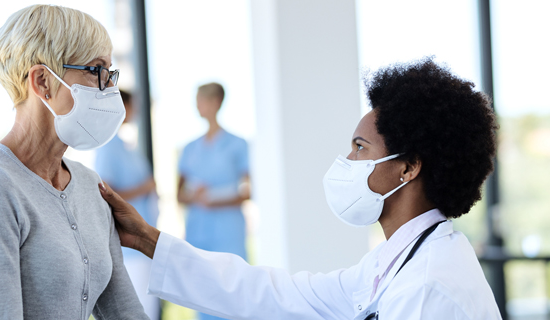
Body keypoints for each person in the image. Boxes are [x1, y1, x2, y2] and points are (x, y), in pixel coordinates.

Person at [99, 58, 502, 319]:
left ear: (408, 168)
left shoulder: (428, 287)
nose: (346, 161)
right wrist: (150, 240)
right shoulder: (393, 263)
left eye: (359, 148)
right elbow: (280, 295)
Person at [0, 5, 148, 320]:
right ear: (42, 82)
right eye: (96, 71)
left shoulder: (89, 185)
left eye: (110, 73)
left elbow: (126, 312)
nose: (109, 90)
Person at [176, 82, 251, 320]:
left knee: (234, 294)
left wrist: (215, 199)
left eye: (202, 100)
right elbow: (179, 194)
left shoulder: (238, 145)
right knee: (204, 296)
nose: (198, 106)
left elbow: (247, 190)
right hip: (199, 233)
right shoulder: (189, 148)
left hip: (228, 233)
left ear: (216, 102)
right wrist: (195, 196)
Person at [95, 90, 161, 320]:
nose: (136, 111)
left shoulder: (126, 147)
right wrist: (144, 188)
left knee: (149, 309)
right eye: (132, 106)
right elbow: (107, 192)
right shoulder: (108, 147)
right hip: (130, 249)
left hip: (144, 243)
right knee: (139, 310)